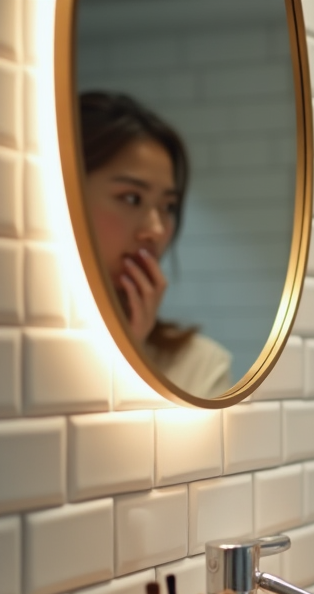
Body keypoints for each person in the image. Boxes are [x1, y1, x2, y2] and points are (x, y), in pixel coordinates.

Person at [80, 91, 232, 397]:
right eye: (132, 198)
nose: (156, 229)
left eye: (168, 206)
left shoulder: (199, 366)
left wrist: (128, 354)